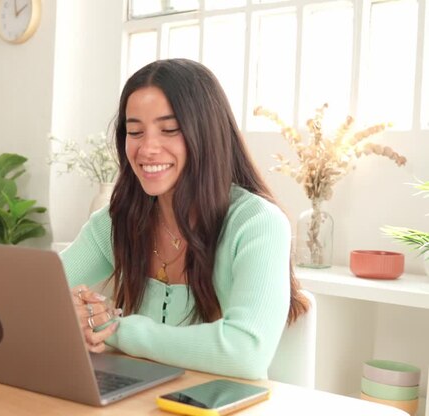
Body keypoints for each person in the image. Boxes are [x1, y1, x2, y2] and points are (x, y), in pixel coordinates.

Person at [59, 58, 309, 380]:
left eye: (169, 130)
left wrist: (113, 328)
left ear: (206, 134)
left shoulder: (257, 224)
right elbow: (32, 290)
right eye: (135, 131)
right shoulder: (117, 220)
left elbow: (245, 353)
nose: (147, 148)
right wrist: (68, 311)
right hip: (142, 400)